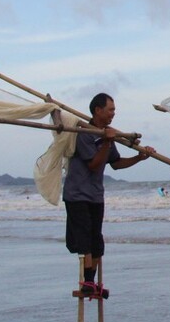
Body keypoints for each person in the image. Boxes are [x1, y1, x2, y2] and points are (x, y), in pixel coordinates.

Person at [64, 93, 155, 297]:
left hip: (95, 195)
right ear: (98, 110)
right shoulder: (84, 133)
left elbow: (115, 163)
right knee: (85, 238)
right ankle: (87, 282)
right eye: (110, 109)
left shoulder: (107, 134)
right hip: (77, 194)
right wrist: (106, 141)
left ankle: (92, 281)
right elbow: (95, 165)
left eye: (114, 110)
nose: (113, 113)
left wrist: (139, 158)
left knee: (97, 240)